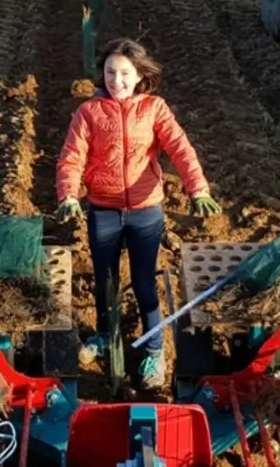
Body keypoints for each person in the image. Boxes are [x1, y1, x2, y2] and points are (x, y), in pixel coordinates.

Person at [55, 38, 222, 390]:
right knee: (105, 280)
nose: (117, 80)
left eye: (125, 74)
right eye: (110, 72)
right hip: (103, 209)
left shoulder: (154, 109)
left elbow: (180, 147)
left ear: (140, 75)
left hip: (146, 211)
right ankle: (103, 333)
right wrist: (69, 194)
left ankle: (155, 349)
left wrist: (198, 188)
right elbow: (72, 155)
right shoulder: (89, 112)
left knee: (145, 283)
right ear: (102, 74)